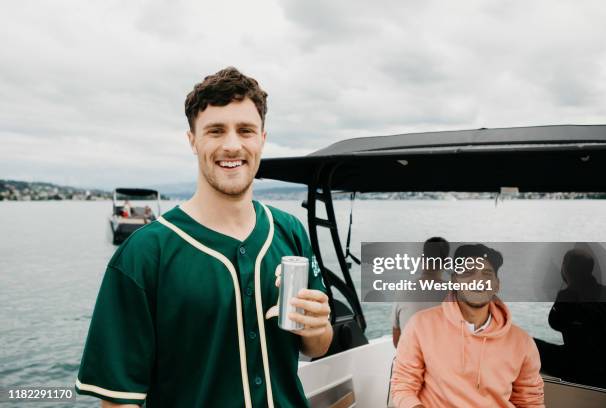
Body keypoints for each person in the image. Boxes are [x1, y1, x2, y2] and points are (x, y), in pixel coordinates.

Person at [75, 67, 333, 407]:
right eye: (215, 131)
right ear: (192, 140)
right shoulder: (145, 254)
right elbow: (118, 399)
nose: (232, 145)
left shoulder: (290, 231)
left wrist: (317, 328)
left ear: (262, 139)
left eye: (245, 130)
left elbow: (318, 346)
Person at [391, 244, 545, 408]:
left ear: (496, 285)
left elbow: (530, 402)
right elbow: (403, 386)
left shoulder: (522, 342)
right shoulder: (420, 325)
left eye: (486, 274)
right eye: (468, 272)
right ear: (454, 280)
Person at [535, 248, 606, 389]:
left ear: (566, 269)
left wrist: (569, 288)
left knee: (528, 344)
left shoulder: (567, 297)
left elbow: (555, 322)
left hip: (581, 368)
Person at [391, 237, 449, 348]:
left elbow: (397, 342)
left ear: (423, 259)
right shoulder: (454, 293)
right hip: (441, 362)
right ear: (446, 263)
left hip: (408, 361)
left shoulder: (402, 290)